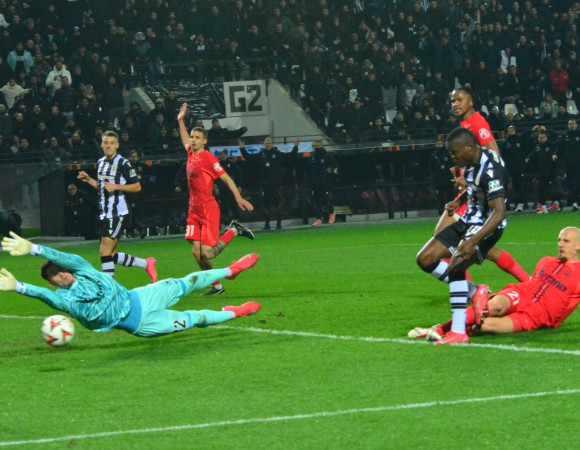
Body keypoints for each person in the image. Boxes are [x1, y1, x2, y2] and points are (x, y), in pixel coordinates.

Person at [0, 232, 261, 338]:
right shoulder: (65, 301)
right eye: (55, 277)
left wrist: (34, 248)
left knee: (187, 282)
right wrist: (19, 286)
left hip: (143, 296)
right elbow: (44, 296)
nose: (61, 276)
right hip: (142, 324)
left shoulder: (82, 268)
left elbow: (62, 257)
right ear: (53, 283)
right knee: (194, 319)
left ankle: (231, 270)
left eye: (60, 271)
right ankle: (236, 312)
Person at [416, 127, 509, 345]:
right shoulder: (468, 161)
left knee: (456, 264)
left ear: (469, 148)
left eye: (454, 152)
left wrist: (472, 241)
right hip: (467, 221)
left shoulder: (490, 169)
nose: (452, 157)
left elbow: (499, 213)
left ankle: (459, 332)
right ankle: (475, 292)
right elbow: (475, 187)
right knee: (424, 259)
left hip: (487, 225)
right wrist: (459, 201)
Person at [410, 227, 580, 341]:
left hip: (535, 317)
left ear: (578, 245)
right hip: (521, 294)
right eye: (559, 240)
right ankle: (440, 330)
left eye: (566, 241)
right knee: (494, 306)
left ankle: (456, 331)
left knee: (487, 325)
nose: (560, 244)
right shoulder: (546, 261)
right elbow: (534, 284)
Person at [436, 86, 529, 283]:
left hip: (481, 194)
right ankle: (527, 281)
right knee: (480, 248)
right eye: (453, 101)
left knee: (443, 239)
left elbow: (494, 157)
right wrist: (462, 171)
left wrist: (468, 179)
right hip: (473, 190)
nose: (455, 104)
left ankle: (469, 289)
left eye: (460, 100)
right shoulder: (465, 125)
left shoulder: (476, 123)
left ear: (471, 102)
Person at [177, 103, 255, 296]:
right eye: (192, 137)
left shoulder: (208, 159)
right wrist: (180, 120)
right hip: (193, 211)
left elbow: (227, 178)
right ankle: (217, 287)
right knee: (197, 253)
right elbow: (184, 140)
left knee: (207, 253)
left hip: (208, 210)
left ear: (205, 141)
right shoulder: (190, 153)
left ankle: (233, 231)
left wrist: (238, 198)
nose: (193, 140)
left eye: (197, 138)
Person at [77, 131, 157, 282]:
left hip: (117, 212)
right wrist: (88, 180)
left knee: (104, 252)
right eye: (106, 143)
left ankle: (110, 288)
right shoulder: (101, 162)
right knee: (110, 255)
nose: (108, 146)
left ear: (117, 145)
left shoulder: (123, 163)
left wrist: (116, 186)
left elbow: (137, 186)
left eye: (111, 143)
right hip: (105, 213)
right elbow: (102, 187)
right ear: (102, 144)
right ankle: (146, 264)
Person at [238, 137, 299, 230]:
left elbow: (290, 156)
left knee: (277, 203)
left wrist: (296, 147)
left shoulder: (277, 154)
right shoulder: (261, 155)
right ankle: (267, 224)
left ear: (272, 144)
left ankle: (279, 223)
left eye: (269, 143)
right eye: (266, 143)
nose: (268, 145)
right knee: (266, 204)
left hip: (276, 184)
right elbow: (249, 158)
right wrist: (242, 148)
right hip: (265, 185)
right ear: (264, 144)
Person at [303, 140, 339, 226]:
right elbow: (307, 170)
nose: (317, 147)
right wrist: (307, 181)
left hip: (326, 182)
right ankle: (318, 219)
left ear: (322, 146)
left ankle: (331, 213)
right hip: (315, 183)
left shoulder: (327, 156)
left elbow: (336, 168)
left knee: (326, 200)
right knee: (316, 201)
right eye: (316, 146)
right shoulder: (312, 157)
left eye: (319, 145)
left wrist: (331, 171)